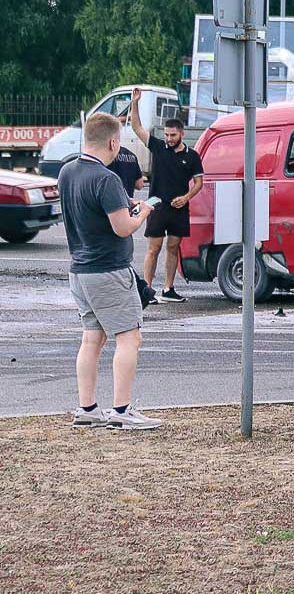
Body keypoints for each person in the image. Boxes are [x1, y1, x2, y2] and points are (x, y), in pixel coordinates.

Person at [58, 112, 162, 430]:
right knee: (129, 337)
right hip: (109, 270)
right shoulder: (107, 178)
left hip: (80, 270)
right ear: (113, 142)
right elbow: (122, 228)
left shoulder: (67, 172)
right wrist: (143, 211)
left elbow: (90, 210)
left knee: (92, 338)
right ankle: (122, 410)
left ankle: (87, 408)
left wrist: (121, 202)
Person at [130, 88, 204, 303]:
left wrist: (186, 197)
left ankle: (168, 289)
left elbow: (199, 182)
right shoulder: (158, 147)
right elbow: (136, 127)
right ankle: (147, 290)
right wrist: (135, 103)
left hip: (179, 208)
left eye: (173, 135)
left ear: (181, 133)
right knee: (154, 248)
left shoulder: (192, 156)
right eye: (166, 134)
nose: (169, 138)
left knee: (173, 247)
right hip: (157, 206)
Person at [106, 141, 157, 308]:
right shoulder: (131, 156)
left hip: (111, 208)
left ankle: (141, 290)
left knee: (113, 256)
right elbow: (140, 184)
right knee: (120, 252)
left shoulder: (107, 157)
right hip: (128, 207)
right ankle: (141, 290)